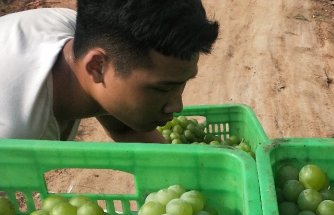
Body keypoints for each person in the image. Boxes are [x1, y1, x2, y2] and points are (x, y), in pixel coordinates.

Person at [0, 0, 219, 142]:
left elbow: (127, 130)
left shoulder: (81, 31)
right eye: (161, 89)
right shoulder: (15, 132)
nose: (177, 106)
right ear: (97, 66)